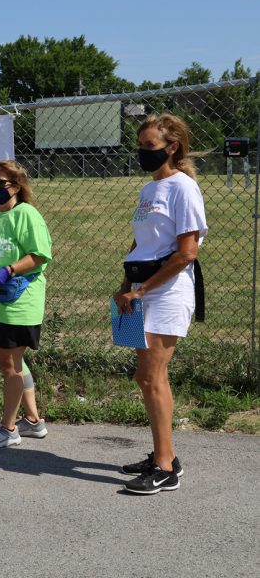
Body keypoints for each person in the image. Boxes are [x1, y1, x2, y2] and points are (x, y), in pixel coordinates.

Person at [114, 113, 207, 495]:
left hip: (167, 292)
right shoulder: (148, 190)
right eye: (139, 146)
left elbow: (186, 253)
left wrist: (143, 288)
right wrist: (125, 285)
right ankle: (161, 453)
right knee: (149, 377)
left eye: (149, 147)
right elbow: (141, 243)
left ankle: (165, 467)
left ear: (172, 147)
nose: (142, 152)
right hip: (139, 290)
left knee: (151, 376)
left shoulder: (183, 188)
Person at [0, 160, 53, 449]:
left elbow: (39, 255)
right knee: (14, 362)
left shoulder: (27, 214)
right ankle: (32, 421)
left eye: (2, 183)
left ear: (17, 187)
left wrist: (10, 270)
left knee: (9, 365)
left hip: (21, 302)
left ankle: (8, 428)